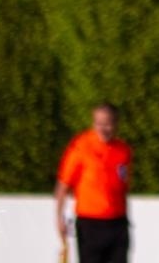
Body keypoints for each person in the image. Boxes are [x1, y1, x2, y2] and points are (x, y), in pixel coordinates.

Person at [55, 102, 132, 263]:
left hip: (117, 224)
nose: (103, 129)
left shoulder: (123, 151)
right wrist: (59, 218)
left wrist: (125, 221)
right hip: (90, 224)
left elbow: (123, 189)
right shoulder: (81, 147)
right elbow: (63, 185)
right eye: (99, 123)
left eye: (108, 124)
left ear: (116, 124)